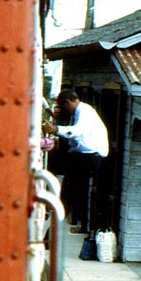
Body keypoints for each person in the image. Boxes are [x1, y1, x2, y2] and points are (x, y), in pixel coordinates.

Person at [42, 90, 109, 235]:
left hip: (88, 157)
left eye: (64, 108)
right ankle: (51, 226)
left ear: (67, 103)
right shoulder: (80, 113)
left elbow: (77, 132)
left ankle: (50, 231)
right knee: (68, 192)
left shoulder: (84, 112)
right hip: (83, 156)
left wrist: (55, 129)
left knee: (66, 194)